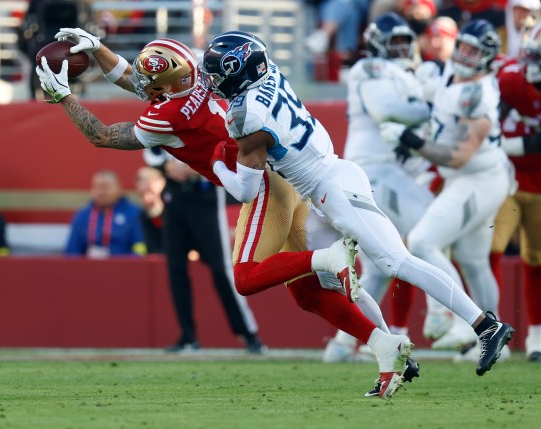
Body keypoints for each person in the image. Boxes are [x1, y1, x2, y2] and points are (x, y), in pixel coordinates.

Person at [35, 30, 419, 398]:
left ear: (166, 84)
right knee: (308, 293)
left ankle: (328, 259)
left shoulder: (165, 116)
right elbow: (141, 82)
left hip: (262, 185)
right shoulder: (201, 74)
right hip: (287, 174)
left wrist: (64, 97)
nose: (140, 82)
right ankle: (386, 345)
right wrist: (99, 48)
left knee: (247, 277)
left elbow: (102, 134)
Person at [201, 29, 514, 379]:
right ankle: (392, 347)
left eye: (217, 76)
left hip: (333, 185)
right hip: (323, 184)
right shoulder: (268, 72)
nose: (212, 83)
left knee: (397, 261)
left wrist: (213, 163)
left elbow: (244, 191)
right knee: (332, 279)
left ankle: (484, 324)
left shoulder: (245, 117)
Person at [380, 19, 515, 362]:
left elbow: (459, 156)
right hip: (472, 178)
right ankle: (497, 342)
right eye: (464, 47)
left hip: (478, 177)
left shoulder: (477, 93)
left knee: (423, 241)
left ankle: (460, 319)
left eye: (474, 51)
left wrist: (413, 142)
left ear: (487, 58)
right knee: (473, 261)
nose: (466, 56)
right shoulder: (448, 76)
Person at [323, 13, 438, 362]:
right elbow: (387, 109)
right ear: (377, 45)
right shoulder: (371, 69)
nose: (402, 49)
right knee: (429, 235)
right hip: (372, 175)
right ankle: (449, 316)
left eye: (406, 42)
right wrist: (429, 106)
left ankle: (342, 345)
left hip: (388, 175)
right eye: (395, 43)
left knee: (376, 269)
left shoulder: (405, 74)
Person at [145, 149, 267, 354]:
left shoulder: (214, 116)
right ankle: (187, 336)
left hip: (205, 194)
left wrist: (205, 166)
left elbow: (229, 147)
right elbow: (150, 146)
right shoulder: (163, 117)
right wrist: (165, 165)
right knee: (176, 269)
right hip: (174, 196)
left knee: (221, 269)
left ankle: (249, 334)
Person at [495, 14, 541, 362]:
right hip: (510, 179)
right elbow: (493, 114)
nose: (531, 63)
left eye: (540, 56)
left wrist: (511, 144)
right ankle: (486, 333)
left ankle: (538, 336)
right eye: (529, 54)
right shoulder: (510, 78)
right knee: (488, 248)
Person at [65, 170, 146, 258]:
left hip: (124, 268)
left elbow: (140, 248)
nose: (102, 192)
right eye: (98, 187)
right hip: (89, 268)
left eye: (106, 187)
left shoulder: (135, 214)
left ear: (119, 189)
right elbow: (72, 251)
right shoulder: (82, 215)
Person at [135, 165, 165, 255]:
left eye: (151, 192)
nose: (147, 198)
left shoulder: (176, 214)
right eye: (143, 194)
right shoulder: (138, 215)